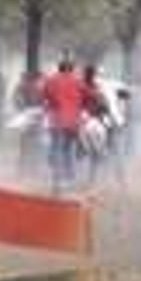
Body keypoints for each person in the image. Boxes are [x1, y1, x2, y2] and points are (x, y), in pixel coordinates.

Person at [40, 59, 87, 194]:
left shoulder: (51, 80)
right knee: (69, 151)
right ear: (71, 69)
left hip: (58, 121)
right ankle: (70, 180)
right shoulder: (78, 81)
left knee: (57, 151)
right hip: (73, 123)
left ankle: (57, 182)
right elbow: (88, 96)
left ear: (59, 68)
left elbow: (44, 96)